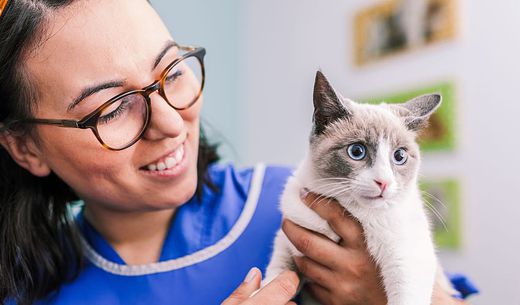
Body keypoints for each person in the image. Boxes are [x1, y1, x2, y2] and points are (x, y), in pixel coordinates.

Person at [0, 0, 477, 304]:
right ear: (25, 147)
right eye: (111, 107)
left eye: (172, 71)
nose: (171, 123)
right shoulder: (24, 289)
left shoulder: (308, 203)